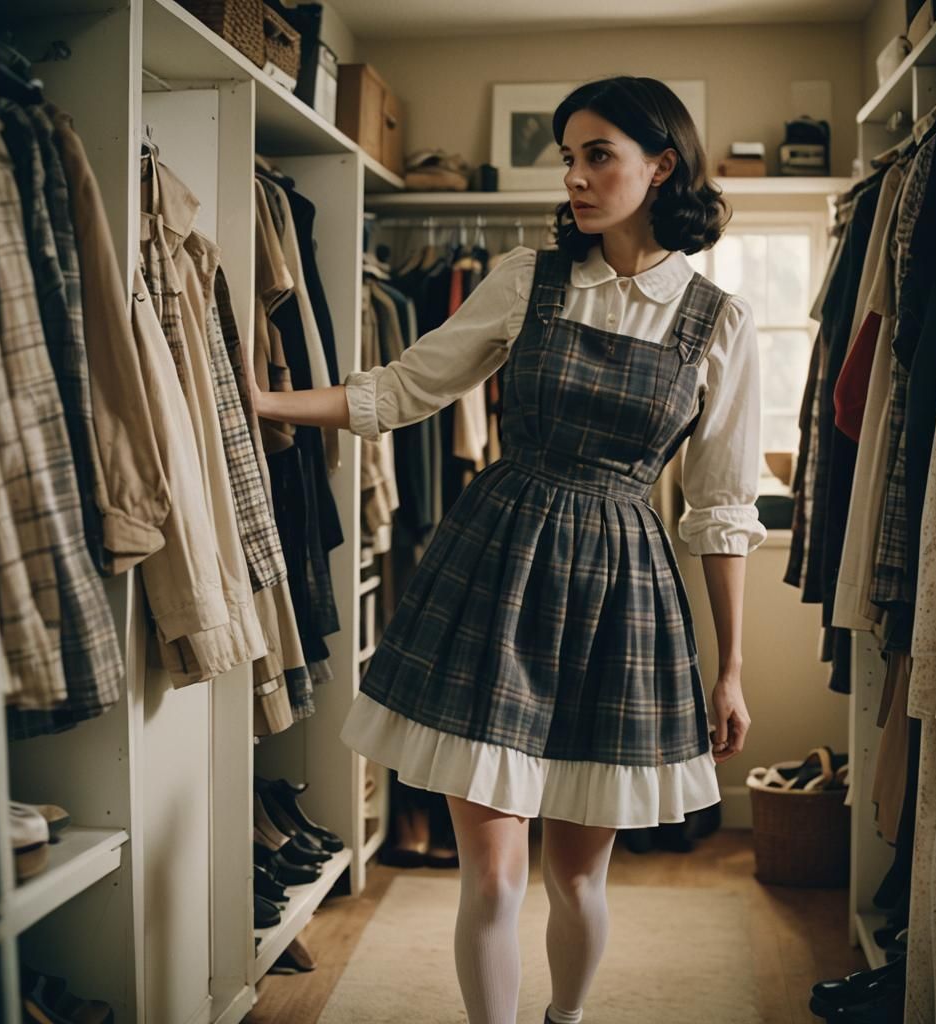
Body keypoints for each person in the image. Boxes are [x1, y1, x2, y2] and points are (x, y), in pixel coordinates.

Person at [250, 75, 766, 1024]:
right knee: (490, 874)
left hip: (622, 595)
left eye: (596, 154)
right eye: (567, 156)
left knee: (577, 879)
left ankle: (562, 1018)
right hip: (498, 569)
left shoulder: (717, 322)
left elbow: (721, 509)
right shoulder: (526, 280)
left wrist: (729, 669)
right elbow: (405, 390)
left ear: (661, 165)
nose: (573, 176)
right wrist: (262, 402)